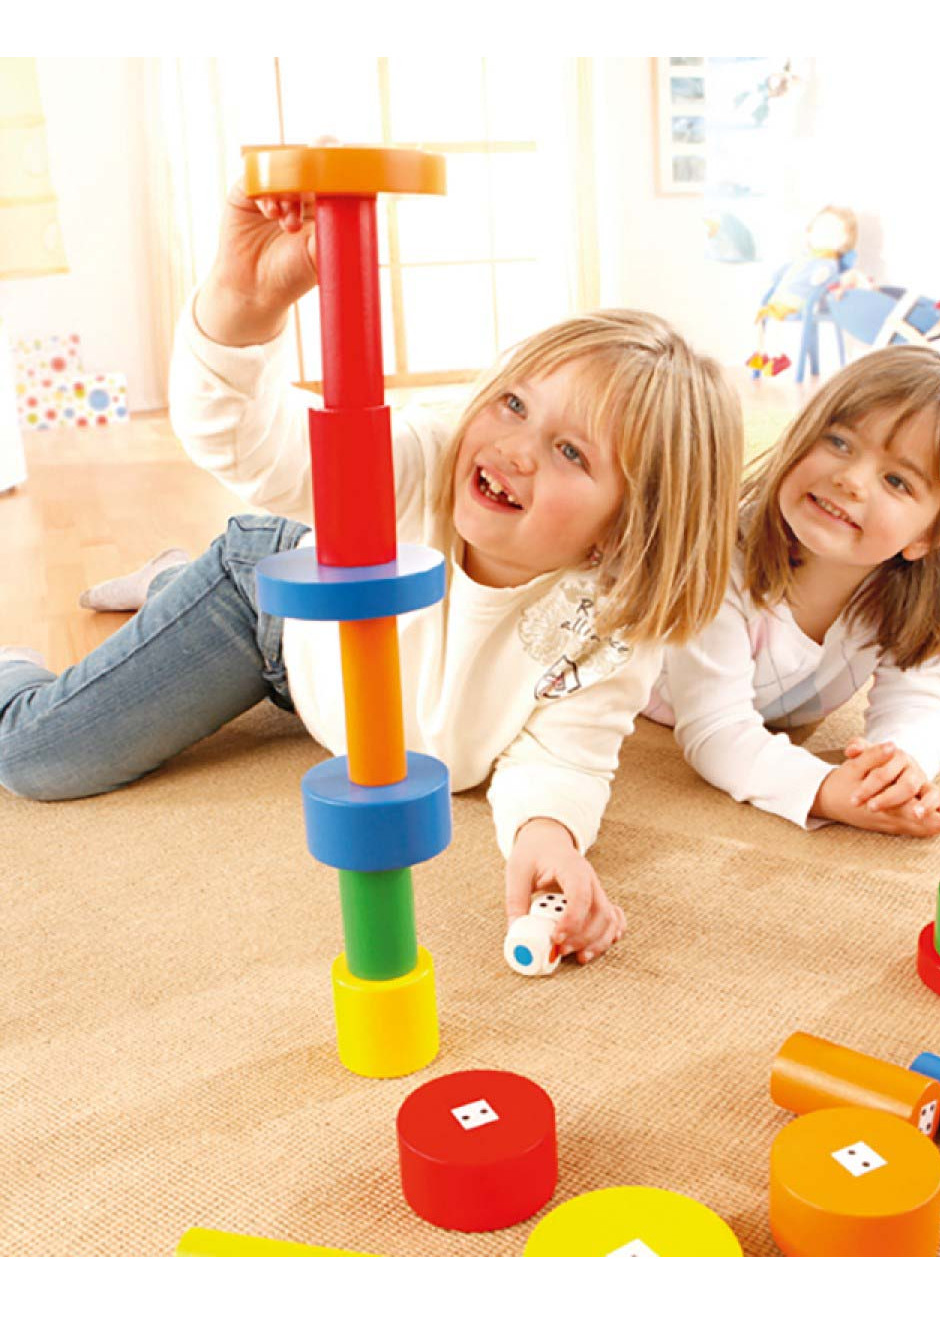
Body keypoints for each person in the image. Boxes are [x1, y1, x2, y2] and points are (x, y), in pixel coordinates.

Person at [0, 184, 743, 967]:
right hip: (273, 613)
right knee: (38, 756)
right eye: (515, 404)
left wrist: (548, 838)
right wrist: (243, 307)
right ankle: (75, 636)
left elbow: (561, 757)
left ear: (628, 526)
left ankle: (165, 585)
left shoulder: (613, 624)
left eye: (570, 452)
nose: (515, 449)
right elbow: (255, 448)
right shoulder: (421, 462)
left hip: (356, 698)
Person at [644, 344, 940, 837]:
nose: (851, 480)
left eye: (897, 481)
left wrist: (895, 771)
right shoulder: (714, 560)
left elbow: (920, 701)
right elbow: (716, 730)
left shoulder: (905, 596)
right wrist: (827, 789)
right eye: (838, 442)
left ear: (931, 535)